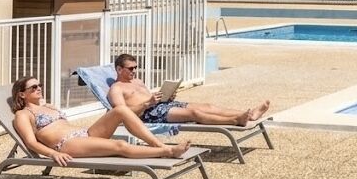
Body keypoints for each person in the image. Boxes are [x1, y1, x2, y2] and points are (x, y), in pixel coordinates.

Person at [10, 75, 191, 167]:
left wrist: (46, 106)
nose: (39, 88)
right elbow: (31, 142)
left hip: (85, 134)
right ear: (22, 94)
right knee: (119, 145)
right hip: (67, 144)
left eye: (40, 85)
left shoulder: (47, 106)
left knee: (120, 110)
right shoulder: (23, 115)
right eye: (33, 87)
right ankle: (167, 151)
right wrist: (52, 154)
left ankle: (157, 144)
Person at [108, 53, 270, 127]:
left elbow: (148, 98)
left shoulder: (137, 81)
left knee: (207, 106)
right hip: (149, 114)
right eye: (130, 68)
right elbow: (122, 114)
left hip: (161, 106)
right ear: (119, 69)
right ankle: (235, 120)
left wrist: (166, 96)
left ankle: (250, 114)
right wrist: (147, 104)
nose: (134, 71)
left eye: (136, 67)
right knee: (194, 114)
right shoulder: (116, 89)